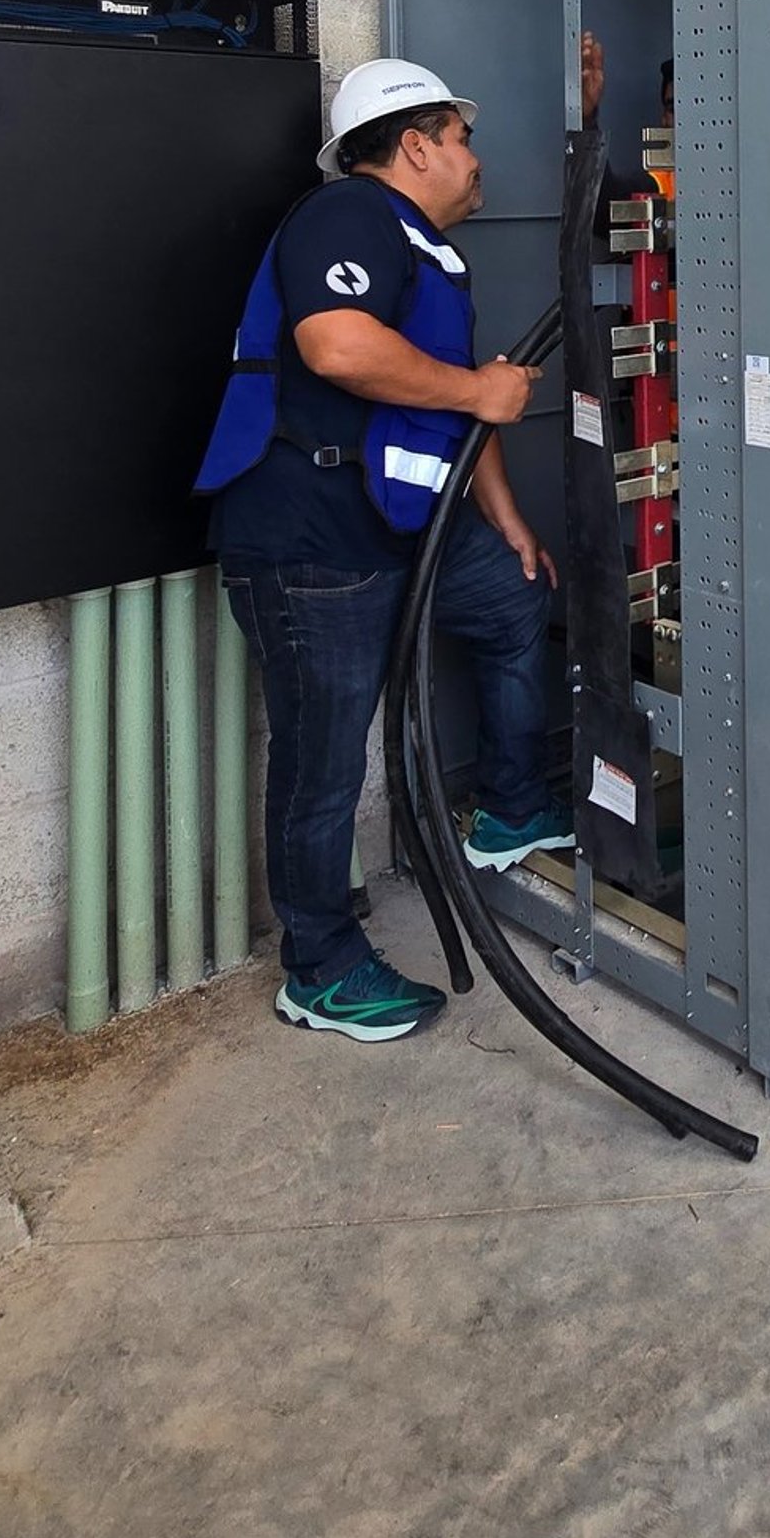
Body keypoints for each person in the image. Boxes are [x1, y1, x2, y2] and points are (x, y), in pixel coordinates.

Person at [198, 59, 573, 1044]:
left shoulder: (429, 254)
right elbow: (339, 348)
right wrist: (478, 393)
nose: (476, 159)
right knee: (324, 759)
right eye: (462, 138)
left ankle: (510, 811)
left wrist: (505, 520)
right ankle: (318, 965)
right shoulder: (347, 216)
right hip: (311, 537)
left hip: (406, 520)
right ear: (416, 143)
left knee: (512, 602)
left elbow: (454, 400)